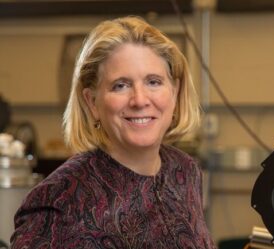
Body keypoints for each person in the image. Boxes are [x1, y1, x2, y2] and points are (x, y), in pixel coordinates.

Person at [11, 16, 216, 249]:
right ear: (92, 102)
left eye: (153, 82)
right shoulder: (59, 202)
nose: (140, 100)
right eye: (121, 85)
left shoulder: (185, 170)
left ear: (175, 91)